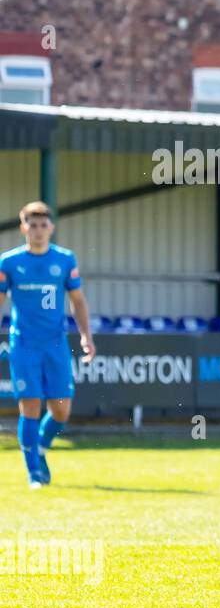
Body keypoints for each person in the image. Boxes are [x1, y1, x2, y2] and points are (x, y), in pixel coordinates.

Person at [0, 201, 96, 487]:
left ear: (51, 228)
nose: (38, 231)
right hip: (24, 344)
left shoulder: (65, 260)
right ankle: (33, 474)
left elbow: (77, 301)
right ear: (23, 228)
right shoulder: (9, 262)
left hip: (55, 344)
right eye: (33, 225)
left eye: (44, 225)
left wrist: (86, 336)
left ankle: (40, 448)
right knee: (30, 407)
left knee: (61, 411)